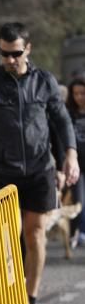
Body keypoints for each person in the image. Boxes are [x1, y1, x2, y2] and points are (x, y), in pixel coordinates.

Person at [0, 22, 79, 304]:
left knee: (35, 232)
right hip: (4, 170)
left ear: (27, 49)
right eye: (4, 54)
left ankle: (29, 299)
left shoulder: (45, 81)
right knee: (6, 238)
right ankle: (8, 296)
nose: (9, 60)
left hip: (41, 169)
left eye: (15, 53)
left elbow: (62, 120)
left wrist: (71, 155)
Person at [66, 76, 85, 246]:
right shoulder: (68, 114)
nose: (79, 97)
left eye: (83, 93)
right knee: (79, 199)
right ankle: (77, 233)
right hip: (77, 166)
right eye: (76, 93)